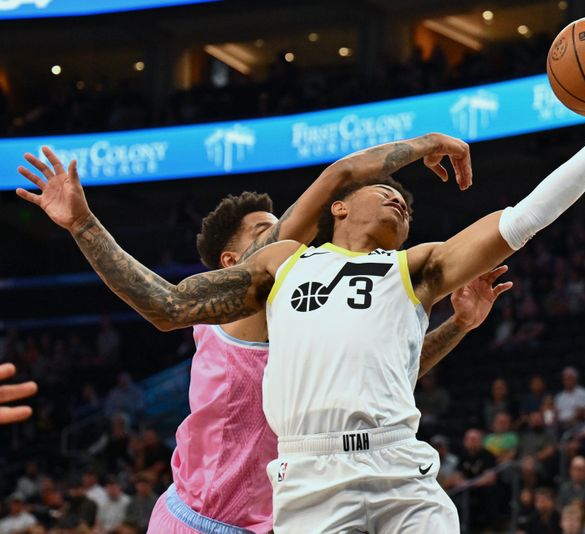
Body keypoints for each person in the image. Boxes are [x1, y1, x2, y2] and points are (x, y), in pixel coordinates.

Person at [18, 63, 585, 531]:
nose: (400, 198)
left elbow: (523, 218)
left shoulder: (415, 270)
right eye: (268, 230)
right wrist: (82, 223)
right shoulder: (281, 270)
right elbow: (167, 303)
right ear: (340, 210)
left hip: (397, 471)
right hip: (262, 498)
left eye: (405, 203)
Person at [17, 138, 507, 533]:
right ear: (234, 263)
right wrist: (422, 145)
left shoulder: (311, 316)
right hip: (202, 523)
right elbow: (334, 179)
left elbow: (393, 376)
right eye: (264, 232)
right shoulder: (243, 310)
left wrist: (459, 325)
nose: (286, 235)